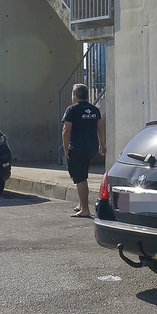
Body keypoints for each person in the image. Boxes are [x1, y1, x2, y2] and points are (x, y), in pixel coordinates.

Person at [61, 84, 105, 219]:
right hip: (91, 147)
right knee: (82, 174)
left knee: (80, 177)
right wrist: (102, 144)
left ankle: (85, 209)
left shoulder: (71, 110)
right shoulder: (94, 109)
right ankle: (81, 204)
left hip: (78, 148)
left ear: (75, 95)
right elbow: (100, 127)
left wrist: (65, 147)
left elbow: (66, 130)